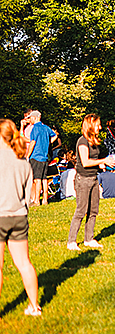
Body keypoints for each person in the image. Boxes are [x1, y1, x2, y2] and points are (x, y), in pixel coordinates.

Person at [0, 119, 42, 316]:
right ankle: (35, 306)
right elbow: (27, 196)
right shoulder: (23, 162)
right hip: (19, 217)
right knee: (24, 263)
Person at [68, 114, 115, 251]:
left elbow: (92, 161)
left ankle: (89, 239)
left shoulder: (94, 140)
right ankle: (71, 242)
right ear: (90, 125)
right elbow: (85, 162)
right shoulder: (82, 141)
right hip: (83, 180)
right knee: (81, 211)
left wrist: (100, 165)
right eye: (98, 124)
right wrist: (103, 161)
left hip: (93, 178)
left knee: (93, 211)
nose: (100, 127)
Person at [24, 110, 59, 206]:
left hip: (36, 156)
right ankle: (45, 199)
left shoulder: (35, 128)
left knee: (37, 179)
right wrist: (48, 143)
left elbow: (32, 142)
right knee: (44, 178)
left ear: (35, 118)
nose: (29, 120)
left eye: (30, 118)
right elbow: (55, 135)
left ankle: (36, 201)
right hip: (44, 156)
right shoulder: (45, 127)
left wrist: (27, 155)